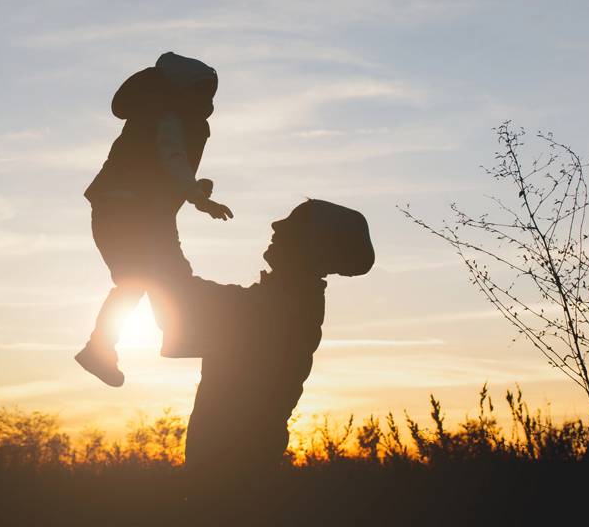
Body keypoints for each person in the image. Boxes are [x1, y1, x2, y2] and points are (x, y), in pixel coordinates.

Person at [180, 199, 375, 515]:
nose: (276, 225)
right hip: (234, 479)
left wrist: (154, 222)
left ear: (312, 246)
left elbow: (177, 293)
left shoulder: (276, 309)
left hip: (229, 486)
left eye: (294, 223)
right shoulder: (287, 303)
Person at [74, 52, 234, 388]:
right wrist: (198, 196)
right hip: (132, 214)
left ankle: (105, 347)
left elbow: (165, 167)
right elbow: (172, 158)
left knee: (142, 279)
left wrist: (194, 190)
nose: (207, 101)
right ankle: (172, 336)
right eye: (202, 92)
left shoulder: (156, 117)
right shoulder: (167, 118)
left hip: (125, 213)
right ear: (182, 90)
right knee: (159, 276)